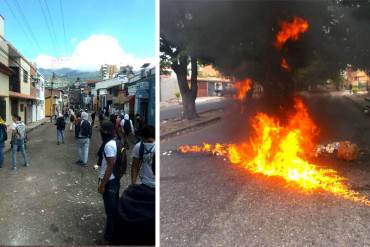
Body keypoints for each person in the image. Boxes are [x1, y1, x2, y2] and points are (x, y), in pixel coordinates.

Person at [112, 125, 155, 245]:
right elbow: (135, 166)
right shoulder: (139, 147)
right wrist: (133, 184)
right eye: (145, 141)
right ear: (142, 139)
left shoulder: (158, 147)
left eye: (150, 141)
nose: (147, 143)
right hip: (144, 184)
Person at [97, 121, 121, 243]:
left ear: (105, 131)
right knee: (114, 208)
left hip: (109, 182)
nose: (100, 132)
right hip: (115, 179)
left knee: (110, 211)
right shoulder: (116, 141)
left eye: (101, 130)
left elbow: (110, 165)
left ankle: (110, 238)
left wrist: (103, 184)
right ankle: (115, 232)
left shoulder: (109, 145)